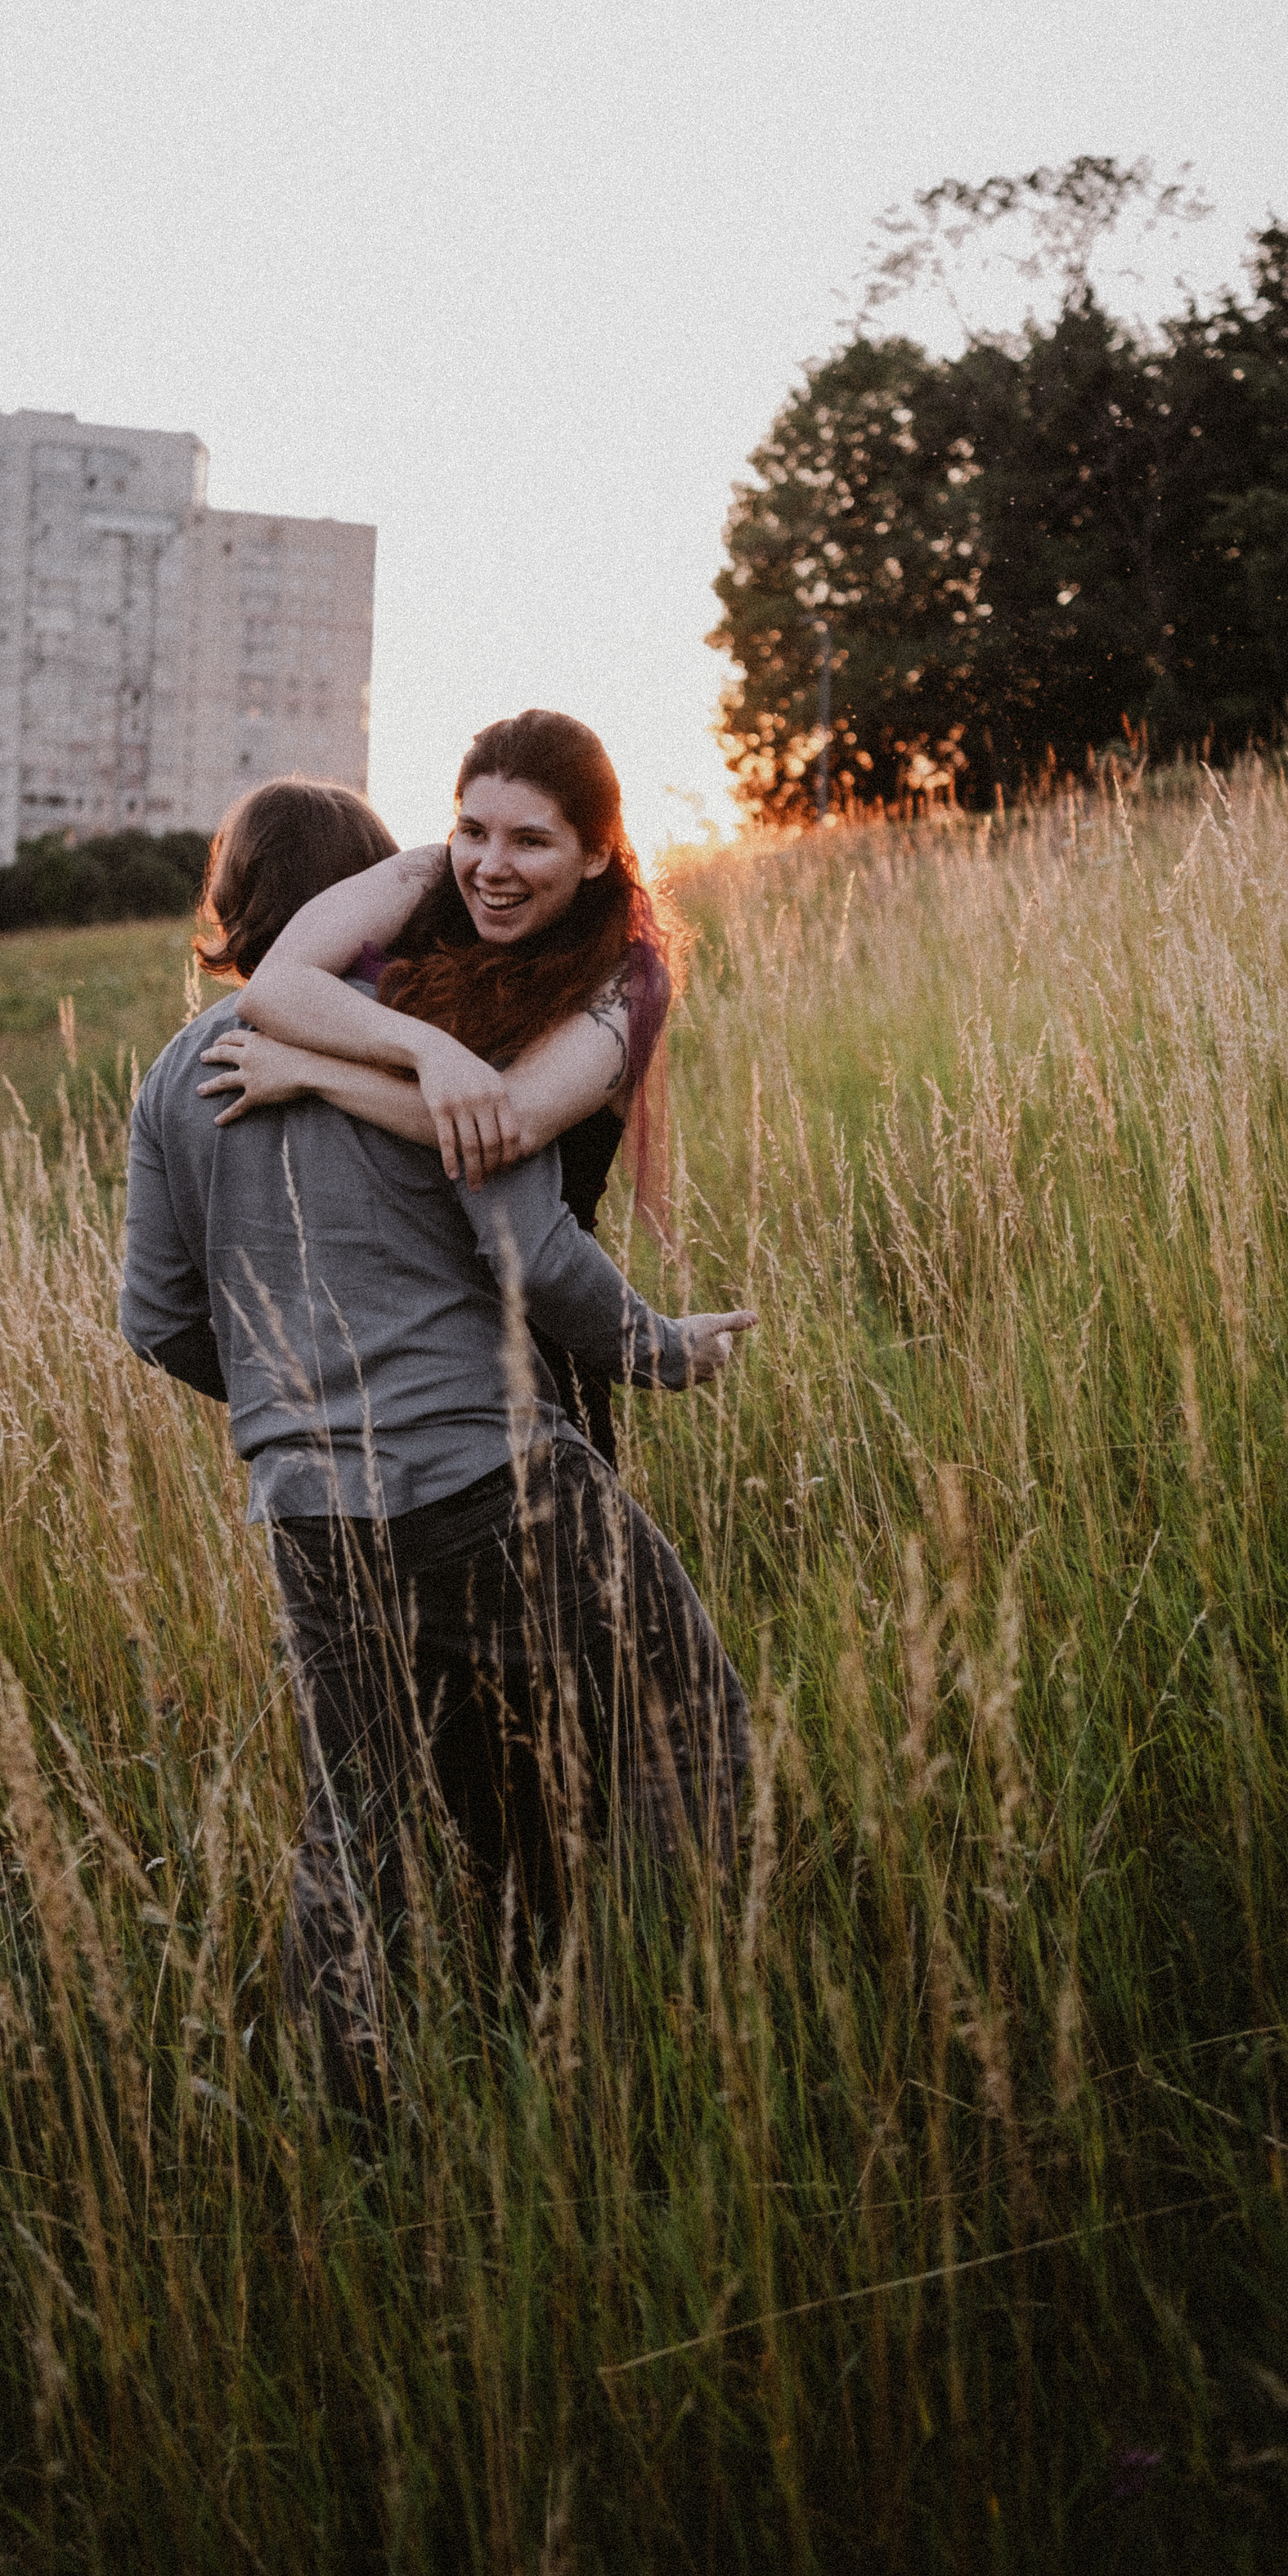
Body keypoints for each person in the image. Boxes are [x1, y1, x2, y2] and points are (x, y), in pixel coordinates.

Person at [119, 767, 752, 2108]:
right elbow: (536, 1251)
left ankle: (359, 2147)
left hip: (307, 1507)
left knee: (357, 1832)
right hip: (489, 1469)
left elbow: (159, 1317)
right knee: (684, 1719)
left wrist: (298, 1407)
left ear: (232, 912)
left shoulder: (176, 1078)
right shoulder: (436, 1025)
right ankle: (695, 2028)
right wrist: (660, 1350)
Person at [199, 710, 683, 1462]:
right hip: (401, 1351)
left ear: (594, 854)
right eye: (473, 829)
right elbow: (274, 988)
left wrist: (316, 1072)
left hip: (538, 1359)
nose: (491, 866)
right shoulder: (427, 876)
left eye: (531, 841)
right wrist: (428, 1050)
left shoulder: (630, 976)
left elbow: (504, 1128)